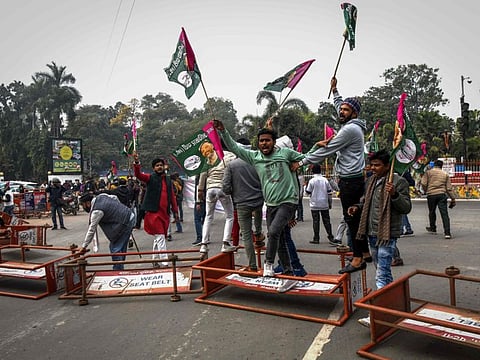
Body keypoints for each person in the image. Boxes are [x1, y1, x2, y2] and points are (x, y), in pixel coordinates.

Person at [214, 119, 304, 293]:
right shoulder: (254, 157)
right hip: (270, 204)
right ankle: (288, 271)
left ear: (274, 142)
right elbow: (234, 148)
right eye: (261, 140)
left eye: (268, 140)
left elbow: (307, 157)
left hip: (288, 201)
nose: (264, 143)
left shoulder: (285, 153)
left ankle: (268, 264)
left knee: (273, 232)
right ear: (258, 143)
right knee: (280, 239)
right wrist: (223, 131)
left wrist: (300, 163)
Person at [291, 77, 369, 274]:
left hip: (350, 181)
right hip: (352, 178)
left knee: (351, 218)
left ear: (354, 113)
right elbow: (339, 106)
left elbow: (326, 150)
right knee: (355, 218)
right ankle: (365, 252)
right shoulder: (352, 124)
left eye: (345, 110)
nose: (341, 112)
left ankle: (358, 258)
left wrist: (300, 163)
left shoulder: (349, 130)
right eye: (341, 109)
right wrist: (335, 91)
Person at [348, 150, 411, 327]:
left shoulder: (398, 182)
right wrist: (356, 207)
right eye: (372, 165)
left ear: (387, 166)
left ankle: (376, 314)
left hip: (387, 234)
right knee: (382, 272)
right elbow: (366, 201)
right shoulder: (371, 181)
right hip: (371, 232)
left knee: (381, 273)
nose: (373, 168)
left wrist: (395, 195)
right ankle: (390, 306)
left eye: (377, 165)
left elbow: (406, 208)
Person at [222, 138, 264, 272]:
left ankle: (252, 266)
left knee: (246, 235)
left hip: (241, 203)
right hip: (258, 199)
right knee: (257, 222)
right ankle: (258, 233)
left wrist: (234, 191)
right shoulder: (257, 161)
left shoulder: (231, 165)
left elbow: (226, 187)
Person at [133, 155, 179, 267]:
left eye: (161, 165)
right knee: (160, 236)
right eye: (157, 165)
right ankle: (164, 262)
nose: (159, 167)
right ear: (154, 168)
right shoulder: (150, 178)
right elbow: (138, 175)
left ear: (164, 167)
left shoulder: (168, 180)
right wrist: (137, 163)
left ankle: (155, 260)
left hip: (165, 214)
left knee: (159, 237)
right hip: (154, 214)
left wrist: (175, 211)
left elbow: (172, 196)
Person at [78, 193, 135, 270]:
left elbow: (92, 229)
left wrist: (84, 246)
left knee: (115, 248)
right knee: (120, 247)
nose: (83, 207)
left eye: (83, 205)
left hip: (124, 222)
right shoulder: (101, 196)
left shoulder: (97, 211)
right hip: (129, 215)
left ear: (88, 203)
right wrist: (120, 208)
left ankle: (117, 271)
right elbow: (114, 197)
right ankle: (120, 266)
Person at [197, 146, 237, 254]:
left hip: (210, 190)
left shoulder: (206, 161)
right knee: (229, 216)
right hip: (222, 189)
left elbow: (202, 176)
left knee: (208, 217)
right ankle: (226, 243)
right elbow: (235, 159)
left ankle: (204, 245)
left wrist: (200, 191)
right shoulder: (226, 155)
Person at [420, 159, 455, 239]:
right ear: (441, 166)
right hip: (442, 195)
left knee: (432, 211)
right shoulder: (445, 174)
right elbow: (449, 188)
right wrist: (453, 199)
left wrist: (426, 190)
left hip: (431, 195)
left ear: (434, 165)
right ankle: (447, 233)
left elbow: (423, 183)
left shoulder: (428, 173)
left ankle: (433, 228)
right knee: (444, 214)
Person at [305, 164, 336, 245]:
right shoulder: (325, 180)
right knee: (327, 221)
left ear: (313, 171)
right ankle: (330, 236)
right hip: (324, 203)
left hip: (314, 204)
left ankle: (316, 238)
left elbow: (308, 192)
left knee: (316, 221)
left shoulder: (312, 181)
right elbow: (329, 192)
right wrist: (330, 203)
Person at [192, 174, 207, 246]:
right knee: (205, 219)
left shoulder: (199, 176)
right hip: (206, 200)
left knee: (197, 219)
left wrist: (198, 202)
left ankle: (200, 237)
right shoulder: (207, 175)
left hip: (200, 200)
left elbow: (199, 189)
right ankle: (206, 237)